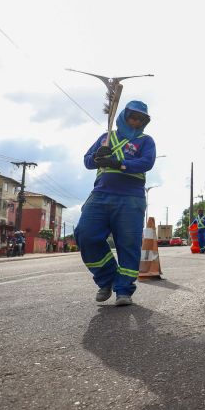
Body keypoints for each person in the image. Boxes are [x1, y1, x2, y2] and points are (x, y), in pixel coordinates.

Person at [75, 100, 156, 306]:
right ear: (124, 116)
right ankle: (107, 278)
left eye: (141, 119)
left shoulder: (145, 140)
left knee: (128, 244)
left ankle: (124, 290)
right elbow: (87, 161)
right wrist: (97, 157)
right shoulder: (106, 138)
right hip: (100, 194)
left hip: (131, 198)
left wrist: (119, 163)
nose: (136, 122)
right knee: (86, 234)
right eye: (133, 117)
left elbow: (147, 162)